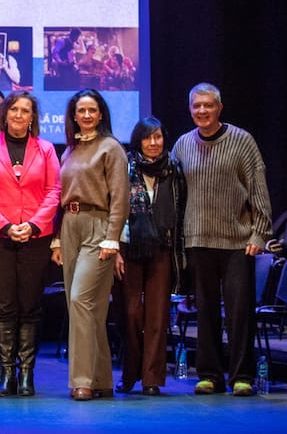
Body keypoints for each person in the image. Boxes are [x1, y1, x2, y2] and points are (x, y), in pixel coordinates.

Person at [171, 83, 272, 397]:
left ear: (219, 108)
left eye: (208, 105)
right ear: (190, 109)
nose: (202, 111)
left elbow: (258, 190)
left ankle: (242, 376)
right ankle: (210, 375)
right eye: (196, 106)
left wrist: (260, 232)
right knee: (205, 311)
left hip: (237, 243)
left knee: (240, 312)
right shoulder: (183, 145)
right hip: (197, 242)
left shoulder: (242, 141)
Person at [0, 91, 60, 397]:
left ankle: (26, 376)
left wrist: (32, 225)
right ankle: (7, 373)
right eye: (15, 110)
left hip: (36, 236)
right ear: (5, 114)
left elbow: (54, 191)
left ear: (33, 116)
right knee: (3, 306)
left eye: (26, 110)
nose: (20, 115)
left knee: (30, 306)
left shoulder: (46, 149)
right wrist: (6, 226)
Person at [52, 88, 129, 401]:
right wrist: (57, 237)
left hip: (99, 227)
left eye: (92, 110)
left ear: (101, 114)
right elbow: (60, 198)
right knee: (88, 310)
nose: (86, 115)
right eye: (81, 110)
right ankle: (102, 379)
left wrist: (113, 237)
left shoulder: (111, 148)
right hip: (70, 227)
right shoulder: (69, 150)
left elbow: (120, 198)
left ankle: (82, 380)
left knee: (81, 301)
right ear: (73, 115)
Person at [114, 116, 186, 396]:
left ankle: (152, 378)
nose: (153, 143)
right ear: (138, 140)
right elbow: (115, 207)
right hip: (128, 246)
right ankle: (130, 372)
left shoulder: (174, 169)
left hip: (162, 248)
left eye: (158, 137)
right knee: (130, 313)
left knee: (157, 316)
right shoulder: (125, 166)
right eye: (148, 137)